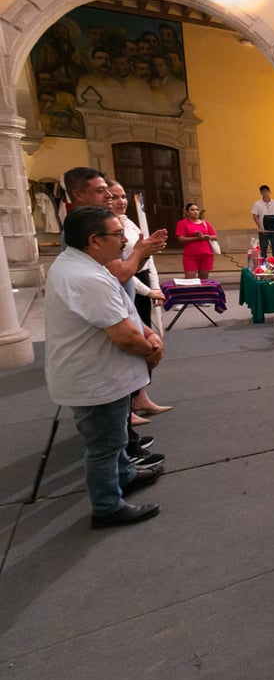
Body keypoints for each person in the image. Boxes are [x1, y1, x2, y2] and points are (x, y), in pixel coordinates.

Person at [45, 206, 165, 528]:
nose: (125, 240)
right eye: (118, 234)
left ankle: (124, 474)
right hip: (96, 377)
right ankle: (108, 506)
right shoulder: (86, 277)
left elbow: (124, 310)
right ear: (94, 240)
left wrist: (148, 332)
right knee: (105, 445)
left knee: (114, 437)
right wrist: (151, 348)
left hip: (100, 373)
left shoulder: (82, 266)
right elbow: (125, 336)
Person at [109, 181, 171, 419]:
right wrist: (147, 291)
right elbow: (119, 269)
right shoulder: (107, 229)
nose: (121, 201)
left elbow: (147, 258)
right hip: (127, 284)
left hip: (141, 278)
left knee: (147, 340)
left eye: (123, 196)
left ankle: (141, 395)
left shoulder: (129, 223)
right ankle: (127, 404)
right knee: (132, 344)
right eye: (114, 197)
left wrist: (155, 287)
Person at [175, 203, 217, 279]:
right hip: (190, 255)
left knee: (204, 280)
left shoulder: (205, 223)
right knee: (190, 280)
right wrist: (196, 238)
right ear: (187, 212)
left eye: (197, 210)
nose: (195, 212)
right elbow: (181, 239)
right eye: (192, 210)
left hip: (206, 255)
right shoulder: (182, 223)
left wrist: (205, 237)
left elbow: (214, 237)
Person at [251, 185, 274, 259]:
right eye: (263, 191)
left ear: (270, 192)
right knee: (263, 250)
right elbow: (255, 216)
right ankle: (264, 263)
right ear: (261, 193)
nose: (265, 193)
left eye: (266, 191)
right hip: (263, 230)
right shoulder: (257, 204)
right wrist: (260, 227)